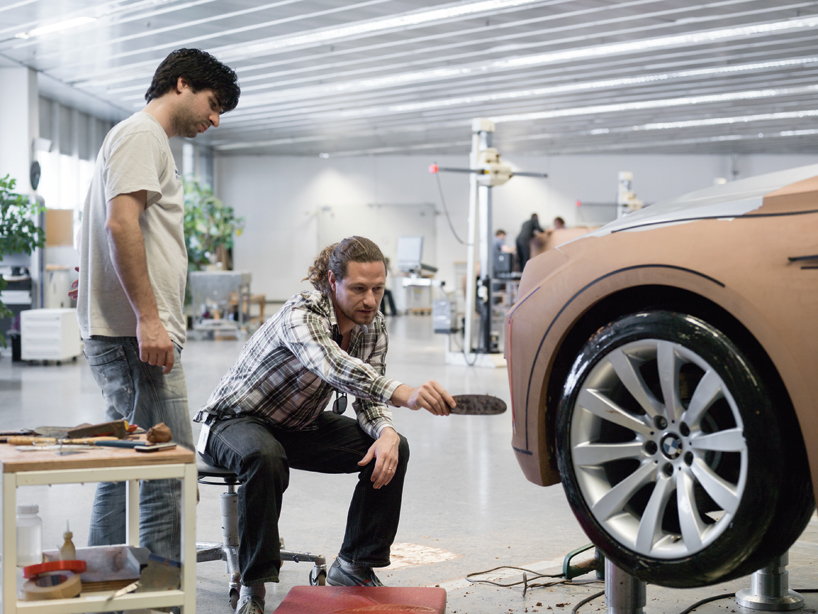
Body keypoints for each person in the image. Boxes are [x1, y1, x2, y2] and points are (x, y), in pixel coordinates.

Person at [195, 236, 456, 614]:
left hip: (299, 424)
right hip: (235, 420)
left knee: (395, 446)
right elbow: (333, 365)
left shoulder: (372, 326)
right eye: (359, 289)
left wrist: (385, 433)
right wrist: (406, 393)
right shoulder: (301, 314)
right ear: (332, 282)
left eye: (378, 289)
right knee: (263, 455)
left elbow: (368, 396)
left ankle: (353, 565)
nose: (370, 300)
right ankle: (254, 586)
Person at [73, 48, 240, 563]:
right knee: (170, 468)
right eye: (213, 105)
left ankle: (103, 579)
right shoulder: (141, 135)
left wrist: (93, 275)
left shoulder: (140, 140)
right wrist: (149, 318)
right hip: (135, 338)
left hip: (127, 333)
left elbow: (112, 221)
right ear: (183, 84)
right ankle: (159, 598)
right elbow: (119, 223)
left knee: (124, 463)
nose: (214, 120)